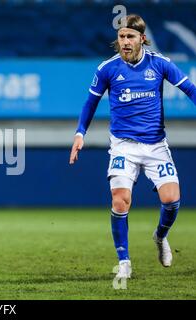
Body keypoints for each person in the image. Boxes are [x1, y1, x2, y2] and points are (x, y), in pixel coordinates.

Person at [69, 14, 196, 279]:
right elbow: (90, 103)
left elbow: (190, 90)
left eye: (130, 36)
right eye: (121, 36)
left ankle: (160, 237)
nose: (125, 42)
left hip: (155, 145)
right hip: (123, 146)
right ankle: (124, 260)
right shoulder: (108, 69)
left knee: (171, 200)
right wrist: (80, 133)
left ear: (142, 39)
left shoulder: (159, 64)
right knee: (120, 200)